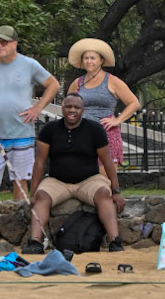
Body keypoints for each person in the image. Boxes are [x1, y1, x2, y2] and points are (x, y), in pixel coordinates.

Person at [0, 27, 60, 203]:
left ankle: (18, 219)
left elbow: (53, 85)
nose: (0, 45)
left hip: (22, 134)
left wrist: (38, 108)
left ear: (15, 43)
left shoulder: (29, 64)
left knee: (20, 181)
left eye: (4, 42)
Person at [26, 91, 125, 253]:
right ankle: (35, 242)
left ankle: (115, 240)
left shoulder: (95, 130)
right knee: (42, 197)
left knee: (103, 194)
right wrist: (33, 192)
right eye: (68, 106)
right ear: (62, 109)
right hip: (57, 180)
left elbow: (108, 161)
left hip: (89, 179)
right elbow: (40, 163)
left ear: (83, 110)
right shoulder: (49, 130)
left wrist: (116, 190)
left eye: (76, 107)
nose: (72, 110)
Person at [66, 40, 140, 171]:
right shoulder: (77, 83)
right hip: (82, 135)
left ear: (101, 60)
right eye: (86, 58)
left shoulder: (112, 81)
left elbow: (134, 103)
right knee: (84, 180)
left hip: (106, 134)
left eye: (93, 58)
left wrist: (117, 120)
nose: (89, 61)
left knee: (106, 181)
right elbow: (67, 106)